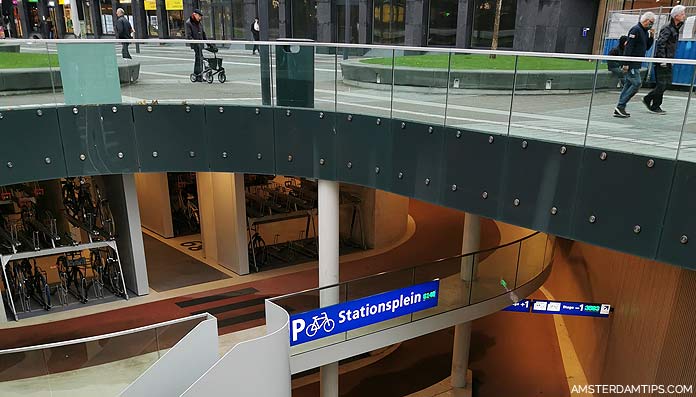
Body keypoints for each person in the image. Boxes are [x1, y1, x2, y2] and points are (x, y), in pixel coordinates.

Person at [643, 5, 686, 115]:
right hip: (663, 60)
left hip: (669, 59)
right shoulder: (667, 28)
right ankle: (650, 100)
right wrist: (662, 60)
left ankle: (655, 104)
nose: (684, 16)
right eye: (682, 14)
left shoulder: (675, 27)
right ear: (676, 16)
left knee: (666, 83)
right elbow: (661, 43)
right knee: (662, 83)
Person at [614, 12, 656, 118]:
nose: (651, 25)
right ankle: (620, 106)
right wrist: (626, 63)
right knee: (636, 83)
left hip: (636, 63)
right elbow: (629, 47)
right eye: (651, 22)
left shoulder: (645, 32)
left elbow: (646, 47)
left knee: (629, 84)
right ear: (646, 20)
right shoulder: (636, 30)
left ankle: (620, 106)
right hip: (632, 63)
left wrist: (651, 37)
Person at [185, 9, 207, 82]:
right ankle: (198, 75)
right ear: (195, 14)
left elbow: (203, 33)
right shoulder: (189, 23)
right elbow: (189, 35)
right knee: (199, 58)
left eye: (200, 17)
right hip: (195, 44)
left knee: (199, 59)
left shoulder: (199, 23)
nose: (200, 18)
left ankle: (197, 74)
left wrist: (209, 43)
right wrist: (194, 42)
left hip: (200, 43)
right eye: (199, 16)